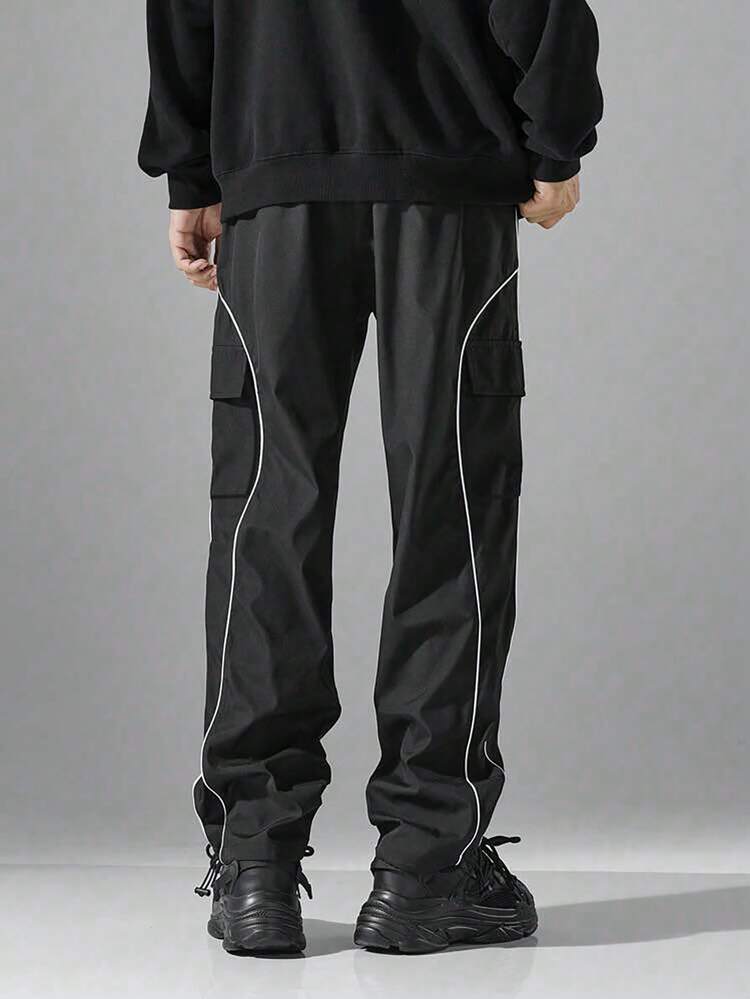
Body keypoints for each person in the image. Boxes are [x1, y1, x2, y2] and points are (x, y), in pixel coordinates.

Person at [139, 0, 602, 955]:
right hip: (447, 168)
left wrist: (194, 169)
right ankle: (425, 870)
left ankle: (256, 862)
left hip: (275, 169)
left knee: (269, 512)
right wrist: (555, 139)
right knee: (451, 507)